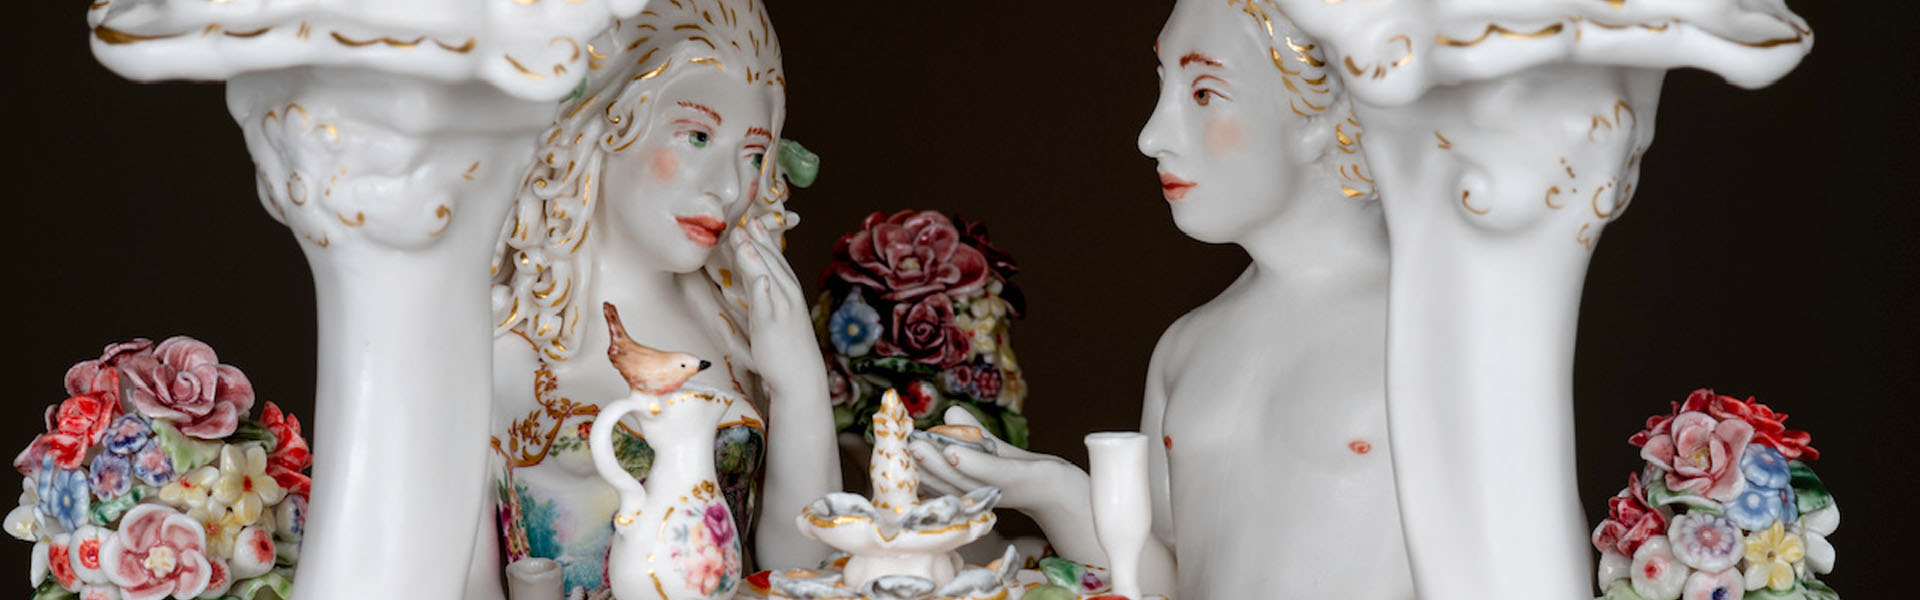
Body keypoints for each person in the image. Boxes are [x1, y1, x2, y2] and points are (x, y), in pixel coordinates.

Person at [911, 1, 1414, 597]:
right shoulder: (1186, 347)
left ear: (1324, 111)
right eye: (1163, 85)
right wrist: (1054, 490)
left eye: (1202, 94)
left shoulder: (1428, 331)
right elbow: (1166, 583)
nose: (1151, 136)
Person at [483, 1, 837, 596]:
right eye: (697, 136)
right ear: (603, 125)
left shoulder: (732, 329)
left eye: (753, 156)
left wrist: (800, 386)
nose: (729, 189)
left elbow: (806, 573)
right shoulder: (503, 340)